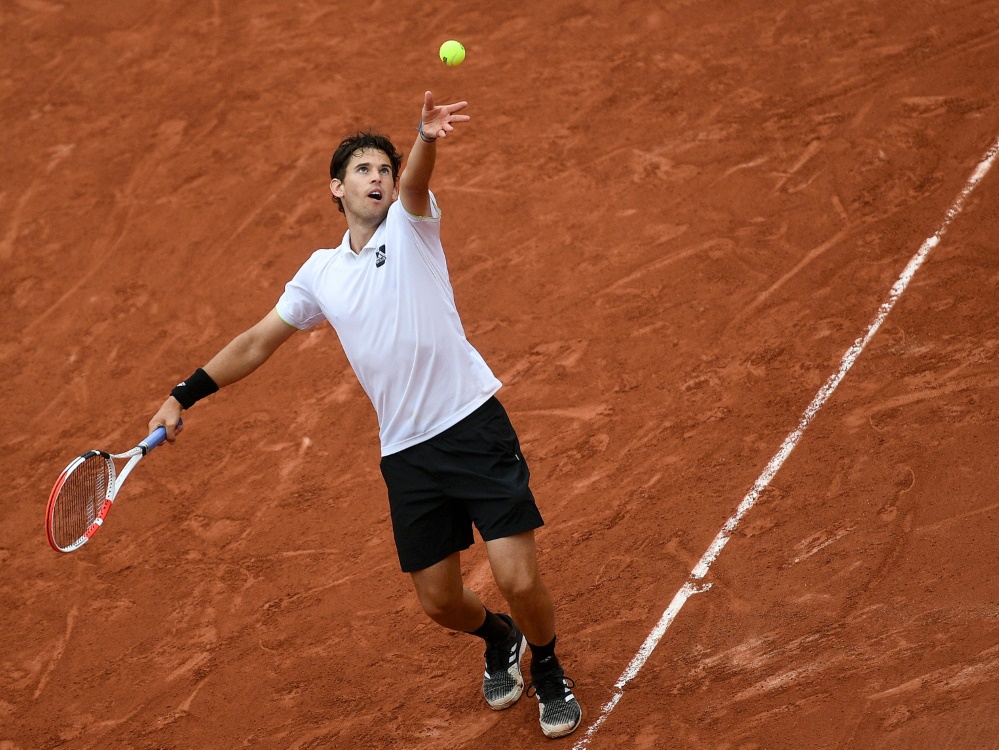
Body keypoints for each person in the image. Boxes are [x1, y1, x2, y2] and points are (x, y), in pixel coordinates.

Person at [147, 91, 583, 739]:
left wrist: (426, 141)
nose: (377, 177)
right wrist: (184, 393)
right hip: (406, 453)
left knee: (516, 574)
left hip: (470, 424)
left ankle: (547, 667)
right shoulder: (320, 273)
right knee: (438, 600)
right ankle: (501, 639)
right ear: (336, 188)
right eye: (362, 170)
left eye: (384, 167)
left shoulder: (412, 225)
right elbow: (256, 342)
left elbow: (414, 183)